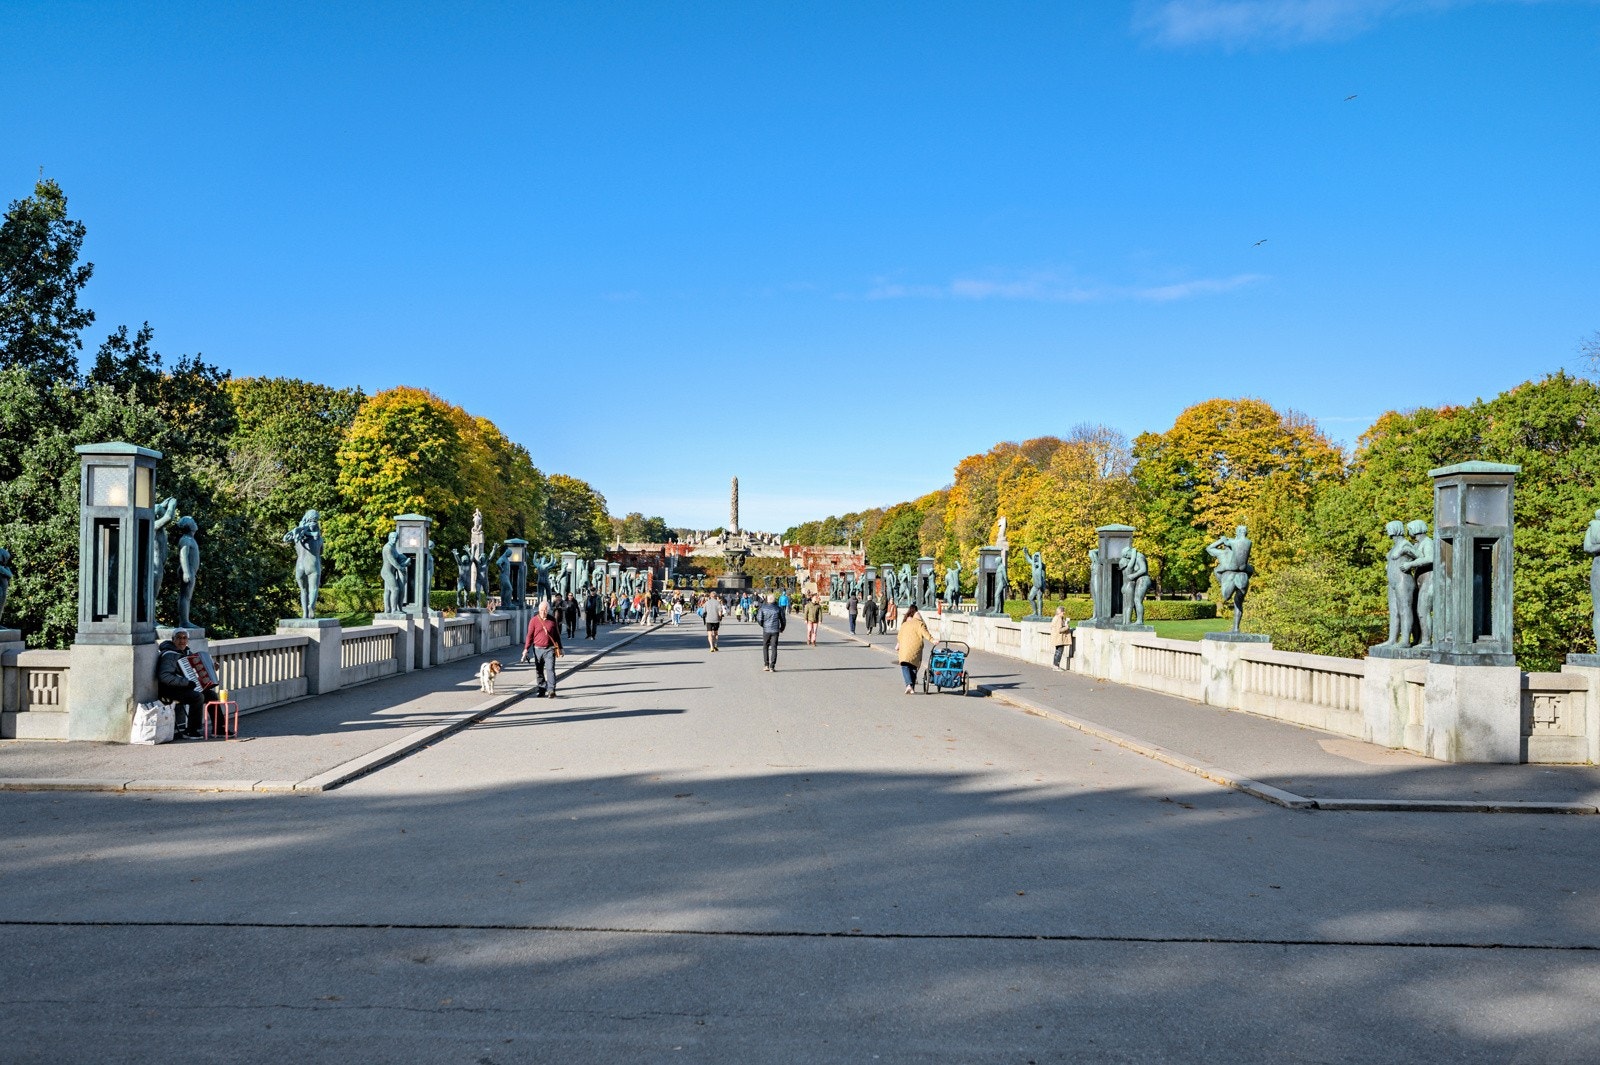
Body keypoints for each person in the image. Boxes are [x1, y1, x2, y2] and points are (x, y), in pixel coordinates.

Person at [155, 628, 214, 738]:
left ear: (188, 640)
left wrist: (211, 668)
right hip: (170, 690)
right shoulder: (169, 655)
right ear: (173, 640)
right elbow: (165, 676)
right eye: (179, 638)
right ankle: (191, 730)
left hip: (184, 688)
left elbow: (195, 671)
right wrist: (186, 683)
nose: (182, 641)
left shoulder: (187, 652)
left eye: (184, 638)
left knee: (211, 695)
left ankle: (219, 728)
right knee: (198, 697)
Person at [520, 599, 564, 697]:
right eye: (541, 610)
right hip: (537, 649)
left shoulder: (552, 620)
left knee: (550, 669)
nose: (543, 612)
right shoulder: (534, 620)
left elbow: (557, 635)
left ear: (548, 610)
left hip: (550, 649)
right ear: (538, 610)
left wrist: (561, 648)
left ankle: (551, 690)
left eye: (545, 610)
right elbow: (529, 636)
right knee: (539, 670)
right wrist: (526, 649)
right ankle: (542, 688)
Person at [895, 603, 934, 695]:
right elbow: (925, 633)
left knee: (905, 665)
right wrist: (933, 640)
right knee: (913, 667)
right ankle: (911, 687)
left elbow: (900, 635)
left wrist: (898, 645)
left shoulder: (905, 623)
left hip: (905, 647)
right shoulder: (920, 623)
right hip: (916, 648)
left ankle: (909, 685)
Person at [756, 592, 787, 671]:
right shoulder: (778, 608)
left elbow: (759, 619)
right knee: (774, 647)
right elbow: (783, 620)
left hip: (766, 630)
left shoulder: (763, 608)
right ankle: (772, 666)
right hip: (775, 630)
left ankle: (766, 665)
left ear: (767, 600)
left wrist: (763, 625)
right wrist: (782, 628)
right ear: (774, 600)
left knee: (765, 646)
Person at [1049, 604, 1072, 671]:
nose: (1064, 613)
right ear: (1061, 612)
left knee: (1057, 651)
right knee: (1059, 651)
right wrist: (1067, 627)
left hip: (1056, 637)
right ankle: (1056, 666)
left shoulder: (1055, 617)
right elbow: (1060, 630)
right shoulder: (1059, 618)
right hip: (1059, 638)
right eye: (1063, 612)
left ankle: (1055, 665)